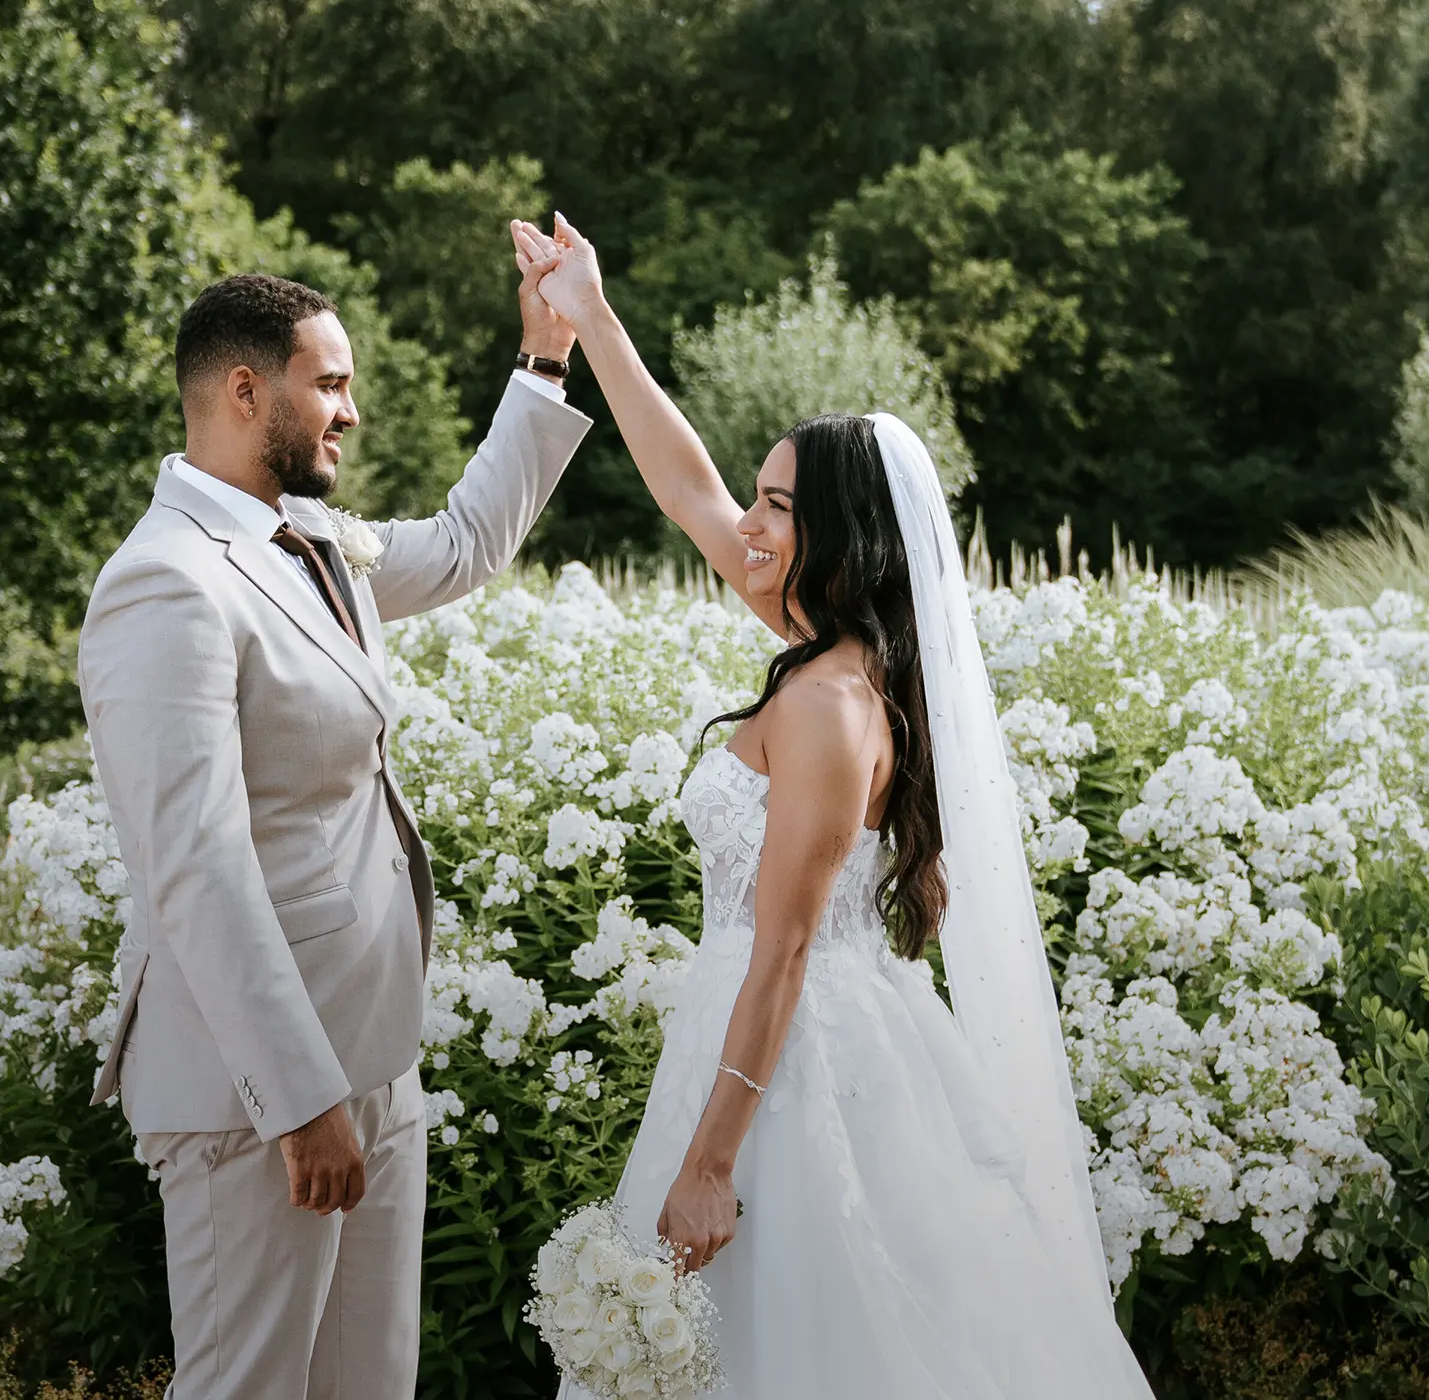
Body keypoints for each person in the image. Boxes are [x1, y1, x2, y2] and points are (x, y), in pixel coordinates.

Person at [511, 215, 1156, 1397]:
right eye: (758, 499)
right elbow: (684, 485)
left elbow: (789, 941)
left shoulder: (826, 705)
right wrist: (590, 318)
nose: (748, 525)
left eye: (778, 506)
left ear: (845, 535)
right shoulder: (826, 652)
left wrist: (711, 1161)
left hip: (793, 1061)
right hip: (775, 1030)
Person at [77, 266, 589, 1400]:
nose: (351, 412)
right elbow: (199, 870)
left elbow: (462, 546)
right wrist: (301, 1102)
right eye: (333, 385)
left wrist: (544, 355)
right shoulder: (166, 585)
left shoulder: (304, 537)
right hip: (254, 1090)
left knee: (370, 1386)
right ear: (249, 390)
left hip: (372, 1052)